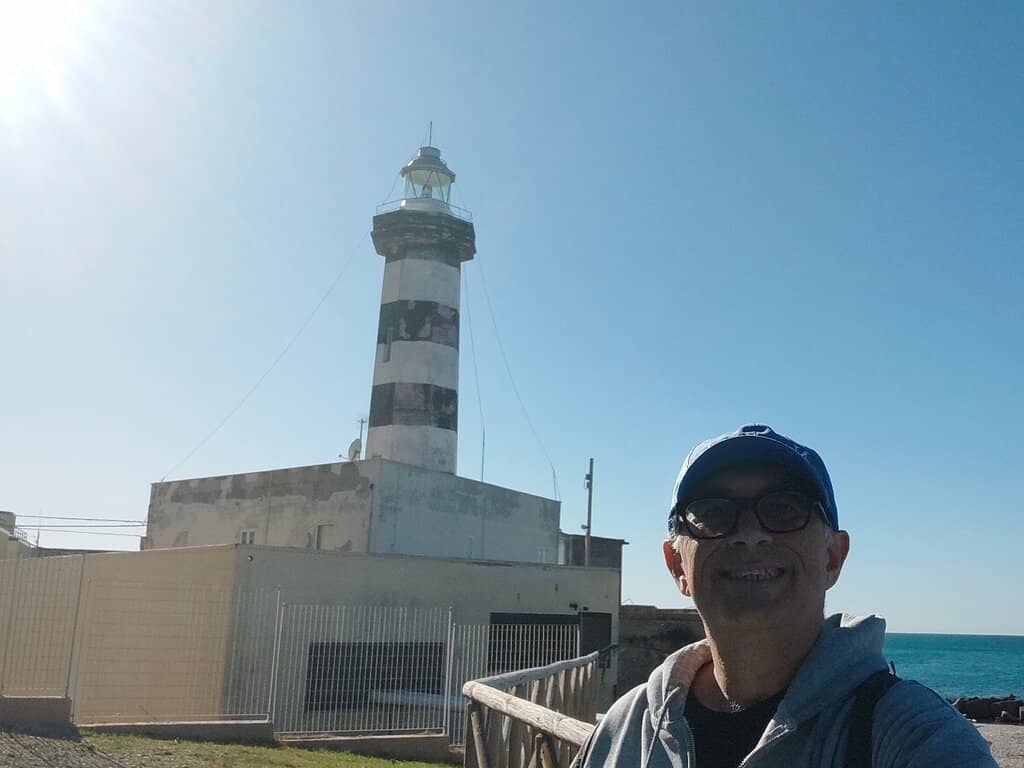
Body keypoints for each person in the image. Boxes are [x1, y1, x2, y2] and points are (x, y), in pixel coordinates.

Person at [575, 424, 996, 768]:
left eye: (784, 509)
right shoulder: (624, 732)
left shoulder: (911, 738)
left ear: (833, 557)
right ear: (676, 566)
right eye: (713, 513)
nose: (749, 534)